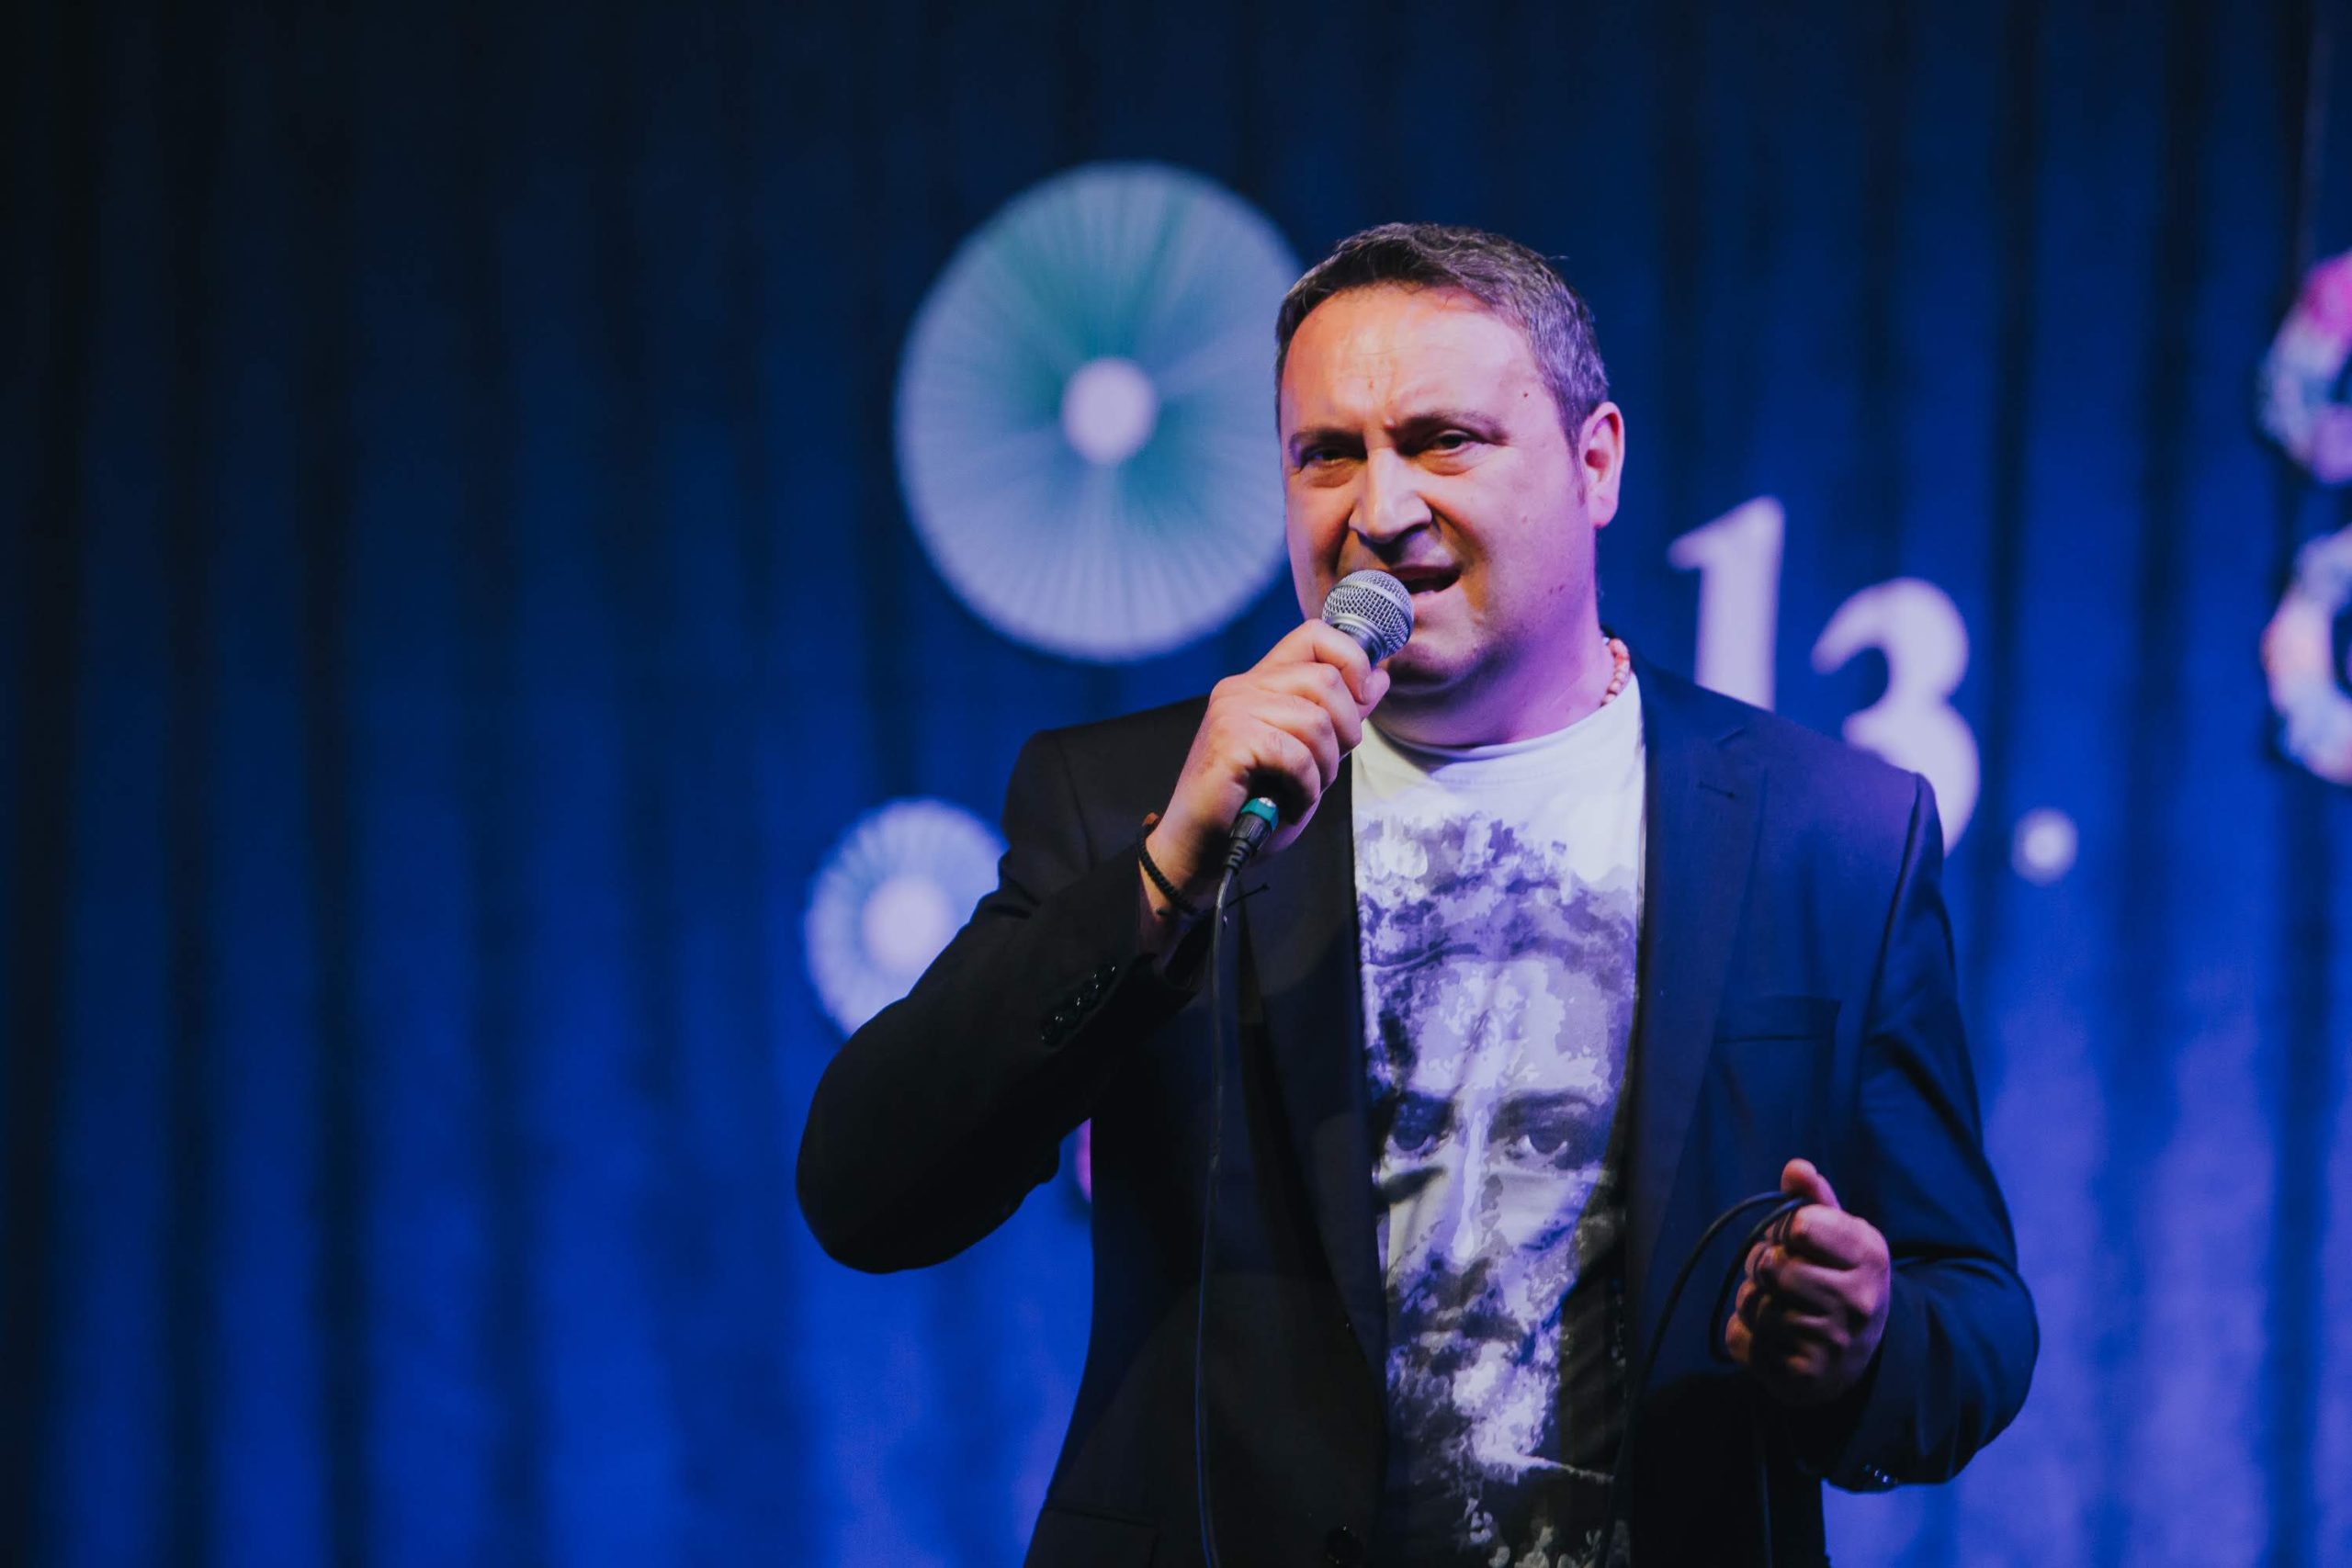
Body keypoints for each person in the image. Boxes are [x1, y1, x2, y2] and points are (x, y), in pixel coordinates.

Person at [797, 223, 2036, 1568]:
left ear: (1596, 462)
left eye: (1444, 442)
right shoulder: (1139, 801)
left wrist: (1862, 1344)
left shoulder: (1830, 832)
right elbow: (870, 1193)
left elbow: (1972, 1314)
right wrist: (1158, 887)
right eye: (1326, 454)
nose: (1378, 511)